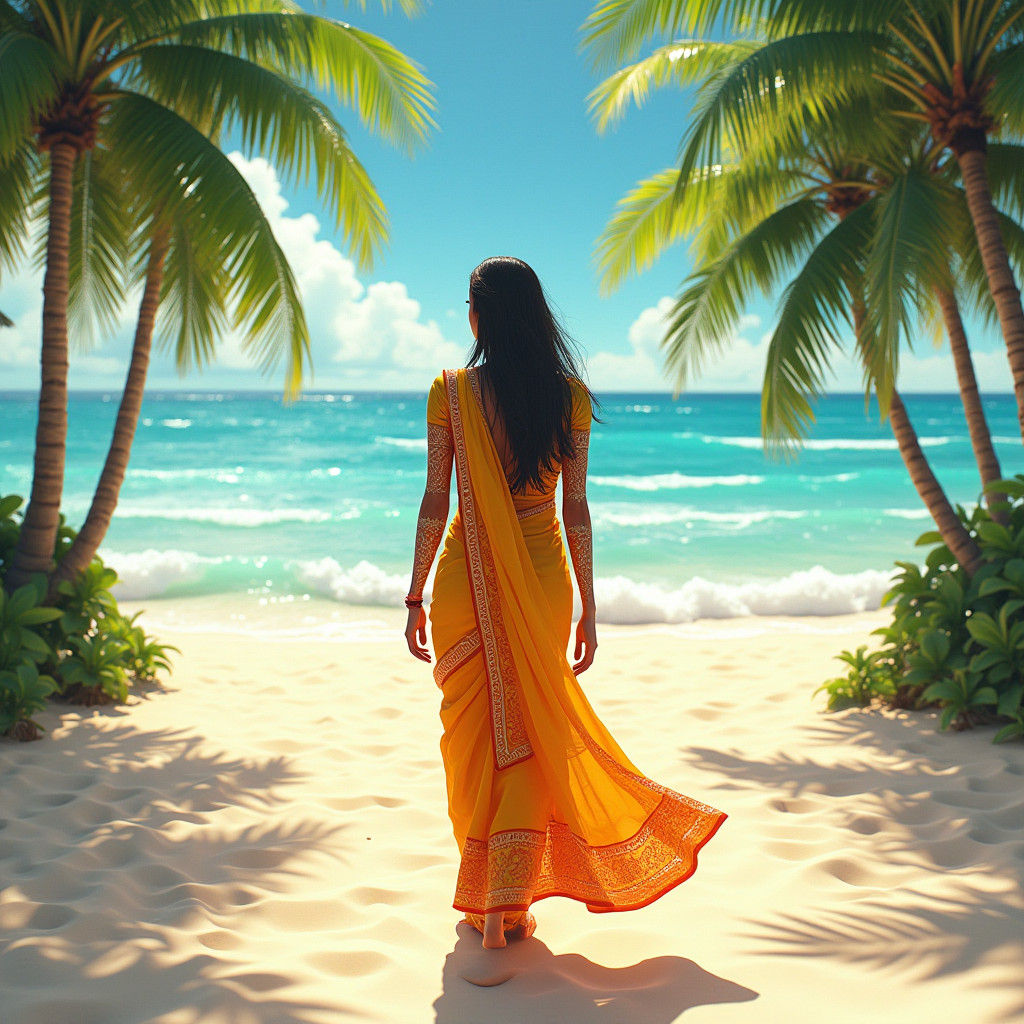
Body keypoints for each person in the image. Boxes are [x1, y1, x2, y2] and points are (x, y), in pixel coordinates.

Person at [403, 256, 726, 950]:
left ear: (481, 314)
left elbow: (437, 498)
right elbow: (575, 508)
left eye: (469, 303)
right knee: (529, 737)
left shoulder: (452, 392)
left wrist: (414, 592)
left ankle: (488, 902)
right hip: (547, 583)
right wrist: (588, 603)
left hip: (464, 582)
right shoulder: (570, 397)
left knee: (472, 740)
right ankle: (504, 908)